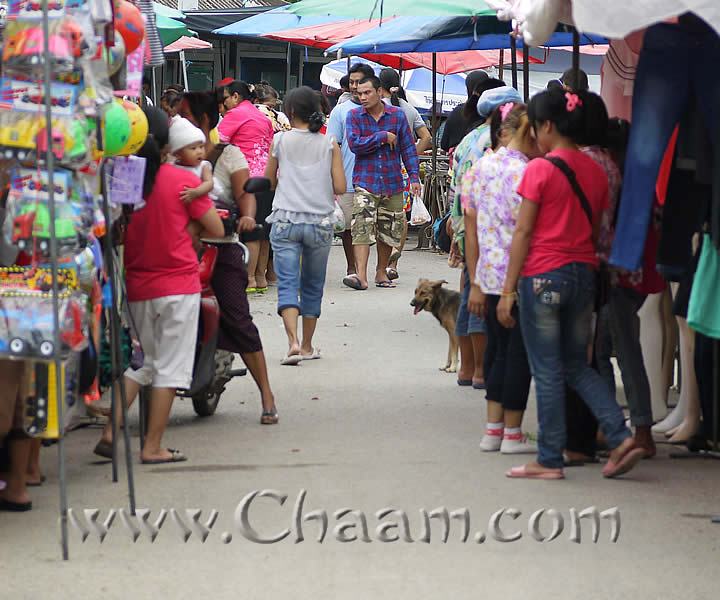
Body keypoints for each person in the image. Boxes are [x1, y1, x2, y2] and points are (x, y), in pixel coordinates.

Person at [497, 87, 644, 480]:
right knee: (578, 365)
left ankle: (549, 458)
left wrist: (508, 290)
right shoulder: (597, 169)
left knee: (546, 369)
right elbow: (596, 230)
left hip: (542, 276)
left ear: (547, 126)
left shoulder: (539, 169)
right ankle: (620, 433)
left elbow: (524, 233)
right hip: (583, 275)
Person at [94, 108, 224, 464]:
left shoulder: (124, 186)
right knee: (169, 368)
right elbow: (215, 227)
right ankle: (152, 446)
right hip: (178, 285)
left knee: (142, 364)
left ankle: (110, 431)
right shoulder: (181, 182)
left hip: (137, 285)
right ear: (168, 147)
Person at [180, 91, 279, 424]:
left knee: (238, 319)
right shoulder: (171, 156)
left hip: (219, 247)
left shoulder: (228, 153)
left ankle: (266, 394)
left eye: (186, 115)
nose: (179, 120)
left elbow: (245, 193)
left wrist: (248, 216)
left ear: (204, 120)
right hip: (179, 249)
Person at [462, 102, 539, 454]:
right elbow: (529, 231)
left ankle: (492, 429)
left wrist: (475, 281)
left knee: (495, 351)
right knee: (517, 355)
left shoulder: (479, 168)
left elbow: (471, 230)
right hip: (519, 276)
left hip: (486, 276)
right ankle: (512, 431)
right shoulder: (531, 173)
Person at [264, 87, 346, 365]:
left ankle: (292, 343)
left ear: (290, 112)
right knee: (312, 285)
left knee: (287, 283)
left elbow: (269, 181)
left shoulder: (280, 141)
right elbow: (340, 186)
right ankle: (308, 345)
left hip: (285, 219)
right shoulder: (329, 143)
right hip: (319, 222)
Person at [448, 80, 512, 390]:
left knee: (467, 296)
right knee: (482, 297)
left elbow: (453, 188)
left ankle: (467, 368)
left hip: (464, 226)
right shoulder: (497, 144)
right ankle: (481, 371)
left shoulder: (466, 140)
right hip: (490, 232)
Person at [343, 75, 420, 290]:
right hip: (365, 182)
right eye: (359, 94)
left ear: (379, 92)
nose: (363, 97)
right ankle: (360, 275)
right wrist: (382, 137)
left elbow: (408, 148)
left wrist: (414, 177)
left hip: (393, 181)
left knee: (389, 228)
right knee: (361, 227)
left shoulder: (397, 116)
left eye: (367, 92)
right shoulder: (354, 115)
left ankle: (380, 272)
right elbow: (355, 144)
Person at [218, 81, 275, 293]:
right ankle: (261, 277)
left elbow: (218, 141)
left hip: (247, 176)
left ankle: (249, 278)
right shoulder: (263, 115)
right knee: (263, 230)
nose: (223, 103)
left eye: (225, 98)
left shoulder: (235, 115)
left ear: (235, 96)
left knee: (250, 231)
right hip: (268, 176)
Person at [377, 68, 432, 281]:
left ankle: (381, 264)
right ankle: (392, 263)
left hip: (382, 169)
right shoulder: (408, 109)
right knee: (400, 217)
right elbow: (427, 137)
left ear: (379, 87)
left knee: (380, 216)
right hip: (404, 171)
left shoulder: (379, 109)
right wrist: (410, 154)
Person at [326, 62, 376, 279]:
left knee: (369, 226)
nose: (355, 86)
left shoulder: (383, 109)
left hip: (374, 177)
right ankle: (352, 268)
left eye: (359, 82)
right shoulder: (340, 110)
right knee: (348, 226)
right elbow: (332, 144)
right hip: (347, 176)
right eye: (352, 82)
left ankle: (368, 269)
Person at [440, 70, 489, 152]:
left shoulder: (456, 111)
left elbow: (444, 144)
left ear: (467, 88)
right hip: (481, 160)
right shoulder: (488, 113)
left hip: (458, 161)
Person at [169, 117, 215, 203]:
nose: (199, 152)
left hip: (201, 202)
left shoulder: (203, 166)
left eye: (201, 147)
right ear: (178, 154)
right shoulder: (174, 166)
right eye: (193, 148)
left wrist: (196, 192)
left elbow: (209, 183)